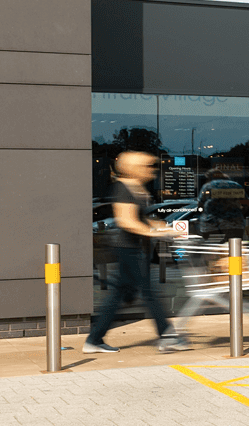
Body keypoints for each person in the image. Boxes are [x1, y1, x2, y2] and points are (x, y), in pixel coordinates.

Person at [87, 151, 183, 354]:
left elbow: (143, 219)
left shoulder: (137, 187)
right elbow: (126, 221)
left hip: (135, 247)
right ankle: (167, 335)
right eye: (147, 166)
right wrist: (153, 232)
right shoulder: (122, 187)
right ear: (133, 167)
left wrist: (165, 229)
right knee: (148, 293)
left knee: (120, 295)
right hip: (127, 248)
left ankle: (94, 339)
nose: (152, 170)